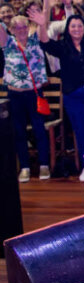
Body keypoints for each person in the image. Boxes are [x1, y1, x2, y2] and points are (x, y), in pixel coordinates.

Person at [32, 12, 84, 182]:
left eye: (80, 25)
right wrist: (42, 25)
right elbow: (44, 42)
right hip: (73, 95)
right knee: (80, 131)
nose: (77, 29)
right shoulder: (62, 46)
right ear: (68, 29)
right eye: (73, 26)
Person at [0, 13, 50, 182]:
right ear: (12, 30)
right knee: (19, 131)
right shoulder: (7, 43)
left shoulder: (36, 41)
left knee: (39, 129)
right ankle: (25, 167)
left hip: (34, 94)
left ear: (28, 27)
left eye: (24, 26)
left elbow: (45, 25)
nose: (21, 30)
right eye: (17, 27)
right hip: (15, 95)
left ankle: (44, 165)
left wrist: (46, 1)